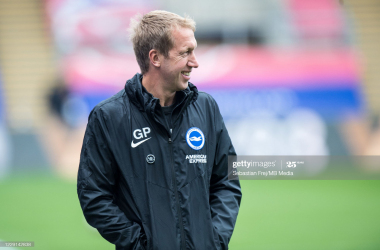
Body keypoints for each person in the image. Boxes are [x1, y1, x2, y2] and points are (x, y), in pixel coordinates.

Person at [77, 10, 242, 250]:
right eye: (185, 52)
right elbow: (94, 197)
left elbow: (228, 179)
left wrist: (214, 240)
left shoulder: (206, 107)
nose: (194, 61)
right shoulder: (109, 117)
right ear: (155, 57)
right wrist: (140, 244)